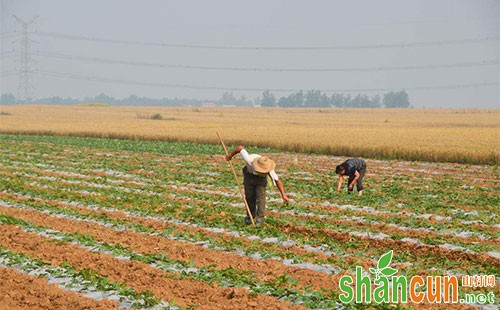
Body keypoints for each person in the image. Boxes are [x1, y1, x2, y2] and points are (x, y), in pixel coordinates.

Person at [226, 145, 289, 225]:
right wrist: (230, 156)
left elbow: (277, 181)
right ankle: (250, 217)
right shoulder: (249, 160)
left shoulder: (268, 168)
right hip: (249, 175)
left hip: (261, 180)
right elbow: (240, 148)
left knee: (261, 198)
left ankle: (260, 219)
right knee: (249, 196)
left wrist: (283, 195)